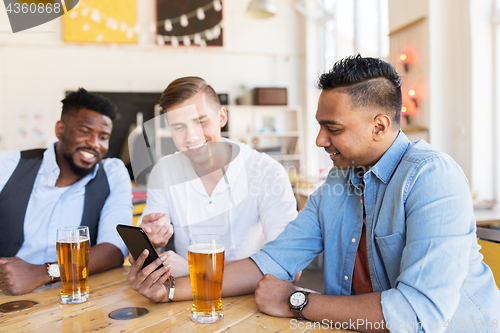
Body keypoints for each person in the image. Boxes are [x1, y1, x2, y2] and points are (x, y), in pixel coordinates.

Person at [127, 56, 500, 332]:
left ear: (379, 126)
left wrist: (297, 301)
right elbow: (269, 262)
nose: (320, 140)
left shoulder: (432, 176)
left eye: (332, 128)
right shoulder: (336, 187)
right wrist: (173, 289)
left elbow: (420, 315)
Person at [130, 76, 298, 278]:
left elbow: (291, 266)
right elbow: (138, 258)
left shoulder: (266, 171)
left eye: (201, 122)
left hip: (252, 296)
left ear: (222, 117)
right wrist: (150, 243)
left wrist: (197, 270)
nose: (191, 136)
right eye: (178, 127)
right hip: (191, 297)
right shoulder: (164, 171)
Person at [0, 88, 133, 295]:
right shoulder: (8, 166)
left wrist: (43, 273)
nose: (94, 144)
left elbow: (114, 250)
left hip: (75, 296)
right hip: (8, 298)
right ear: (60, 129)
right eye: (85, 131)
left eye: (103, 136)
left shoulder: (112, 174)